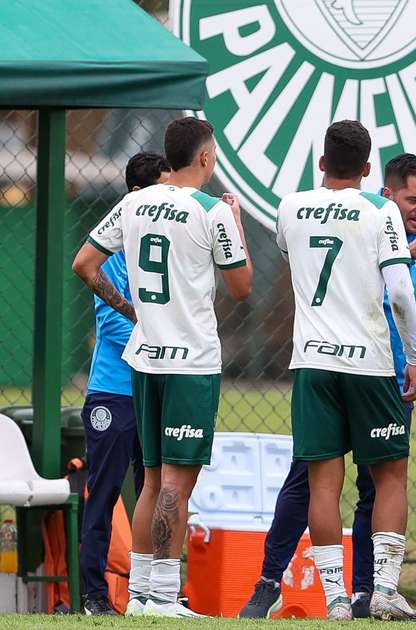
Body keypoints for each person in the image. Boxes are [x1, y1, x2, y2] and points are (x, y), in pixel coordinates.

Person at [237, 153, 416, 619]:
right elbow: (358, 291)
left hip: (394, 383)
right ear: (386, 193)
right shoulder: (367, 223)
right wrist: (391, 259)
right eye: (412, 199)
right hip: (354, 368)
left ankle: (364, 594)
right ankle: (269, 581)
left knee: (375, 488)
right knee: (306, 482)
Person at [72, 117, 253, 617]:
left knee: (151, 480)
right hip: (190, 361)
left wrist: (132, 310)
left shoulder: (132, 202)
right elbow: (241, 287)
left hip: (143, 358)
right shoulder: (212, 210)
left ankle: (143, 597)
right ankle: (166, 596)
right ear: (204, 158)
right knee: (177, 481)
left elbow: (83, 264)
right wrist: (235, 226)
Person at [274, 120, 416, 621]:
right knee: (389, 476)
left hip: (312, 360)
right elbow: (401, 293)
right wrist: (415, 359)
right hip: (369, 362)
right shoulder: (380, 210)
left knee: (323, 484)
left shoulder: (290, 207)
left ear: (321, 163)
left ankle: (335, 599)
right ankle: (382, 591)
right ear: (365, 168)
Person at [78, 152, 170, 616]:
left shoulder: (165, 241)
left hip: (157, 386)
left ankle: (151, 592)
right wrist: (170, 333)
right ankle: (93, 593)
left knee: (160, 485)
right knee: (107, 488)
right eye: (161, 189)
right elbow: (116, 326)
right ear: (137, 195)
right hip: (115, 390)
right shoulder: (112, 245)